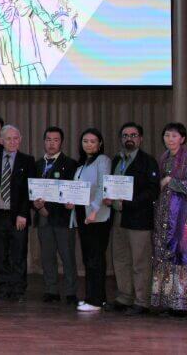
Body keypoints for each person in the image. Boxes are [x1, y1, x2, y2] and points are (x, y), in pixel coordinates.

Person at [104, 122, 160, 315]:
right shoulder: (116, 160)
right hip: (118, 218)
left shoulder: (148, 161)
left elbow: (153, 191)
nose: (129, 138)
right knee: (121, 259)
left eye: (133, 135)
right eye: (125, 135)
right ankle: (124, 297)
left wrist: (129, 203)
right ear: (121, 139)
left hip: (139, 220)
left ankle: (142, 301)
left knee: (140, 262)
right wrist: (108, 198)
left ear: (141, 139)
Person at [151, 123, 187, 316]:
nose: (170, 139)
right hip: (163, 214)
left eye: (174, 136)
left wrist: (170, 181)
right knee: (164, 255)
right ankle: (168, 302)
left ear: (182, 138)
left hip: (181, 216)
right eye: (167, 135)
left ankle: (184, 304)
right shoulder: (163, 158)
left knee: (181, 255)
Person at [32, 127, 79, 305]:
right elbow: (31, 190)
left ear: (61, 142)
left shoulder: (71, 164)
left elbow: (71, 192)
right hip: (43, 217)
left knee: (67, 256)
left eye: (56, 140)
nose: (51, 143)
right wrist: (38, 207)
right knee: (47, 256)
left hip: (62, 218)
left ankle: (71, 292)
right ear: (44, 142)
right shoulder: (37, 164)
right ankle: (51, 290)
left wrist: (49, 209)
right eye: (48, 140)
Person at [69, 128, 112, 312]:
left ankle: (94, 301)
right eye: (85, 141)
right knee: (89, 258)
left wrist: (94, 210)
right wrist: (70, 202)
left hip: (97, 216)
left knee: (95, 258)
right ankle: (96, 297)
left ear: (100, 143)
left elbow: (103, 186)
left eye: (93, 141)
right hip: (82, 214)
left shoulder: (103, 160)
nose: (88, 144)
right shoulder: (82, 164)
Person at [0, 124, 35, 302]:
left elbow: (29, 190)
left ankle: (18, 290)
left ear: (21, 140)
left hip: (18, 216)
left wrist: (23, 213)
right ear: (1, 141)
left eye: (16, 138)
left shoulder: (28, 160)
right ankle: (3, 288)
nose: (12, 142)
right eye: (8, 139)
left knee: (18, 254)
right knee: (0, 254)